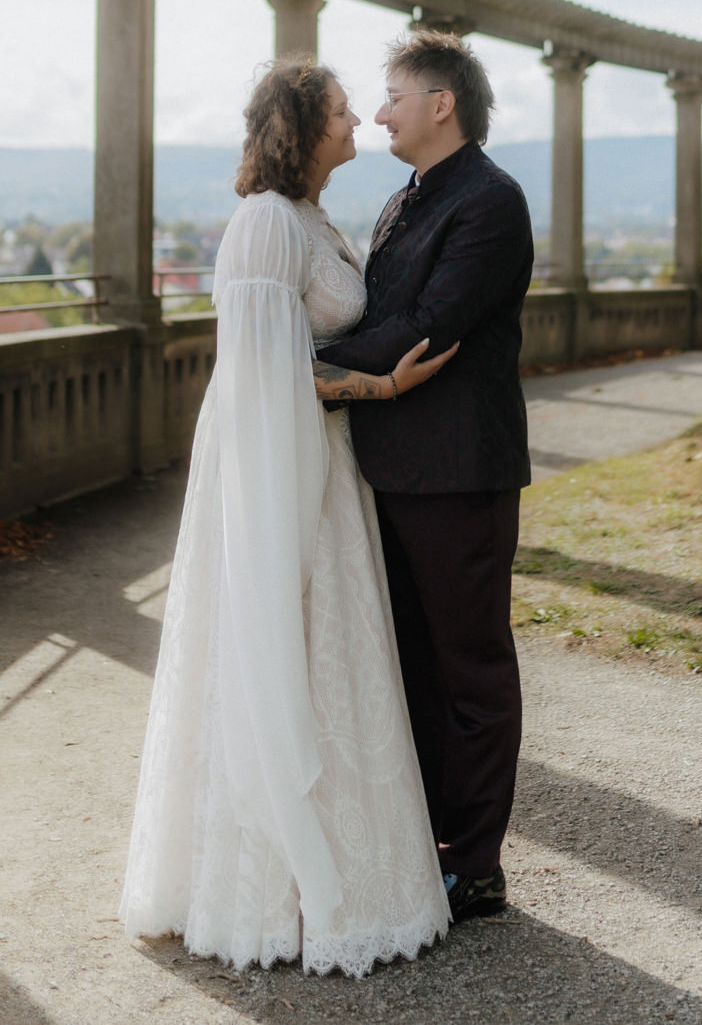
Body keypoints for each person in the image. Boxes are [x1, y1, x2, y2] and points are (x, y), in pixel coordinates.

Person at [119, 56, 454, 977]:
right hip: (280, 462)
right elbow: (265, 371)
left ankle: (345, 885)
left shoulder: (311, 218)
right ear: (303, 131)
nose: (360, 125)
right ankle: (271, 897)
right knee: (278, 641)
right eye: (345, 114)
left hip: (325, 460)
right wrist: (381, 385)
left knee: (331, 656)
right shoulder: (265, 223)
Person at [314, 28, 533, 924]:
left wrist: (295, 358)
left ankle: (475, 864)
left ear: (441, 104)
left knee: (470, 665)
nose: (377, 113)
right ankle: (428, 843)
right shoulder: (406, 198)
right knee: (409, 662)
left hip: (458, 472)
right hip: (394, 469)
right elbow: (390, 310)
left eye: (393, 99)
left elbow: (428, 327)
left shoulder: (490, 201)